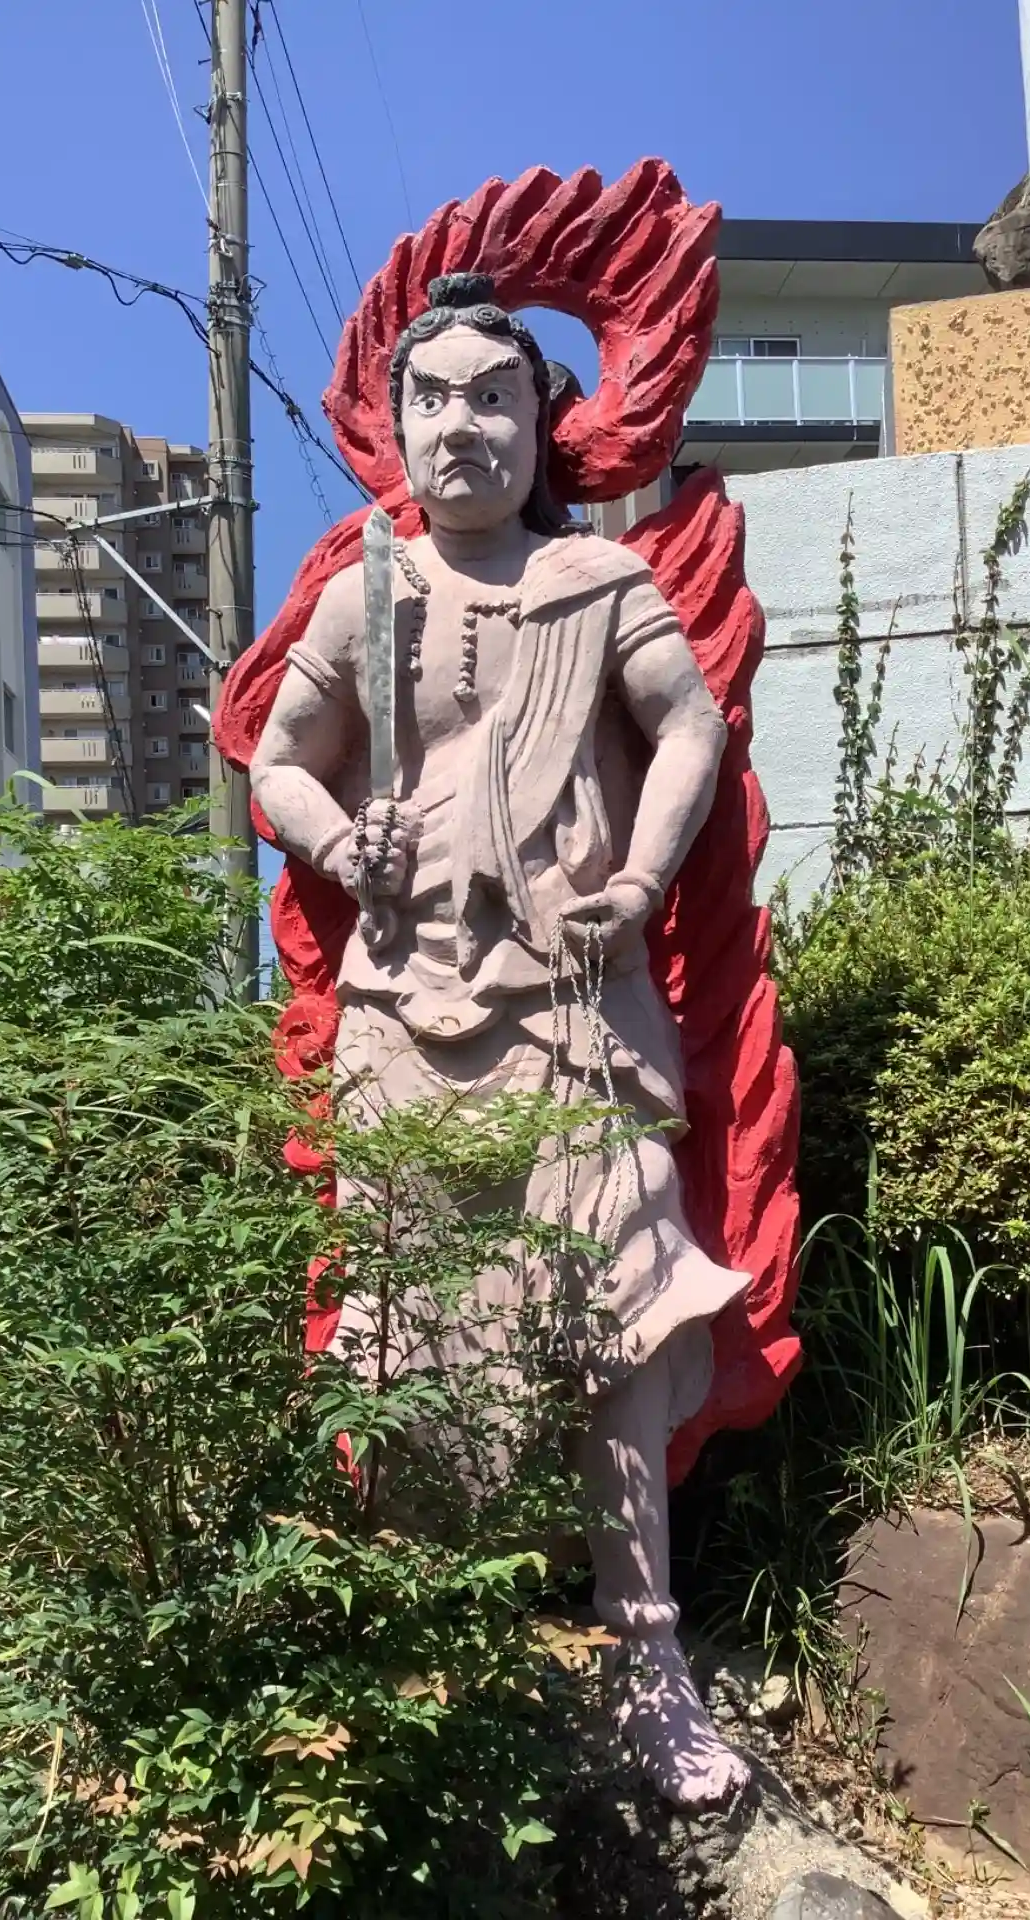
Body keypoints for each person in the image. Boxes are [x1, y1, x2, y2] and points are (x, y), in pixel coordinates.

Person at [250, 271, 753, 1809]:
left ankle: (649, 1656)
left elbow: (690, 726)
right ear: (394, 422)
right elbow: (279, 761)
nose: (461, 424)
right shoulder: (363, 592)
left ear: (545, 420)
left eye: (493, 395)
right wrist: (337, 841)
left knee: (623, 1319)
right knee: (413, 1332)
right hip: (407, 1013)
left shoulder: (598, 580)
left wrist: (640, 879)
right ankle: (431, 1646)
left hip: (577, 1006)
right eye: (433, 397)